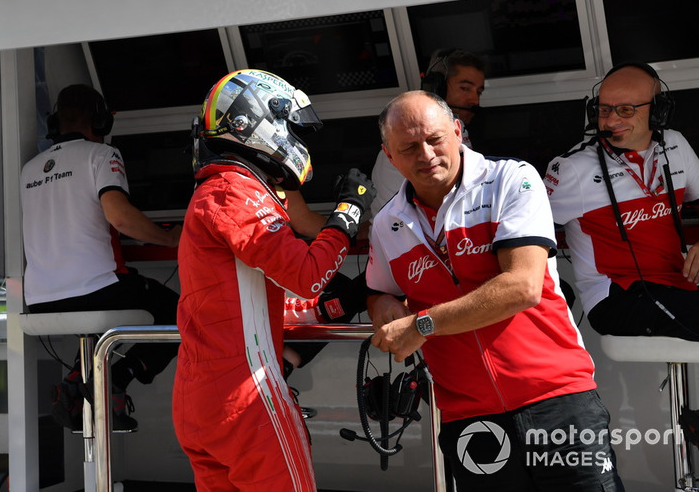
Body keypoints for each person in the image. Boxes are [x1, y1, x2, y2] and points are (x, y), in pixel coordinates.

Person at [366, 90, 624, 491]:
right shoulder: (387, 224)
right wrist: (382, 303)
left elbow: (521, 287)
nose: (426, 154)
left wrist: (422, 325)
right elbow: (379, 290)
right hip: (469, 418)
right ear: (389, 155)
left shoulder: (511, 179)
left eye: (434, 139)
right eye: (409, 147)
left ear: (457, 131)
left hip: (555, 399)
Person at [173, 69, 375, 491]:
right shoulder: (235, 190)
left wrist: (341, 303)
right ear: (261, 121)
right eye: (291, 126)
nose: (298, 139)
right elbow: (307, 276)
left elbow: (247, 309)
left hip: (200, 402)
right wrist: (348, 214)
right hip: (247, 401)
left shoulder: (214, 191)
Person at [20, 84, 182, 431]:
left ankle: (80, 379)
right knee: (180, 312)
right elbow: (121, 217)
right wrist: (169, 236)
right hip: (95, 292)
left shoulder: (29, 170)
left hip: (40, 302)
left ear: (55, 123)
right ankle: (117, 379)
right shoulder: (102, 155)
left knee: (119, 296)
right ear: (100, 121)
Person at [545, 62, 699, 340]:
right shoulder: (573, 169)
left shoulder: (675, 145)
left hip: (679, 281)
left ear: (658, 112)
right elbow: (524, 231)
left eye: (626, 110)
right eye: (604, 110)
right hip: (616, 296)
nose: (611, 120)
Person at [370, 48, 486, 216]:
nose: (474, 100)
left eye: (478, 92)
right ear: (436, 86)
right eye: (464, 88)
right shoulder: (441, 126)